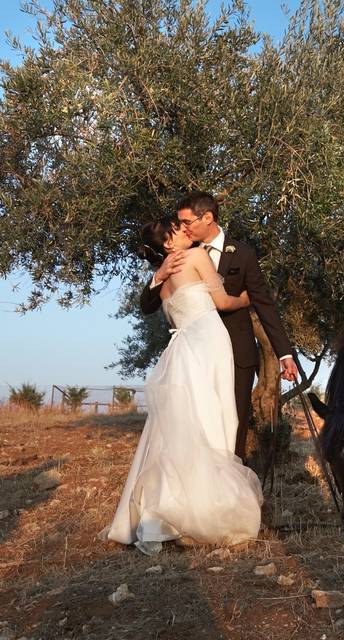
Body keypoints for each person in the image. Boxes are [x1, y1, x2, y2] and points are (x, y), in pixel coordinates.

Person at [102, 219, 264, 554]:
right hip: (208, 342)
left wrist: (159, 275)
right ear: (167, 243)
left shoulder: (162, 283)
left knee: (178, 429)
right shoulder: (196, 256)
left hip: (180, 351)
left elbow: (159, 306)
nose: (185, 231)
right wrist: (247, 299)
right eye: (177, 229)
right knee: (214, 417)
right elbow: (220, 302)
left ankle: (167, 509)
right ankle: (208, 510)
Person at [140, 191, 297, 462]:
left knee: (231, 427)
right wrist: (158, 275)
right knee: (196, 426)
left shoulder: (244, 254)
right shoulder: (177, 259)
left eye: (186, 222)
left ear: (208, 218)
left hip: (237, 355)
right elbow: (147, 305)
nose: (183, 227)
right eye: (179, 224)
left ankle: (229, 495)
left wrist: (285, 354)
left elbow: (265, 305)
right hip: (195, 359)